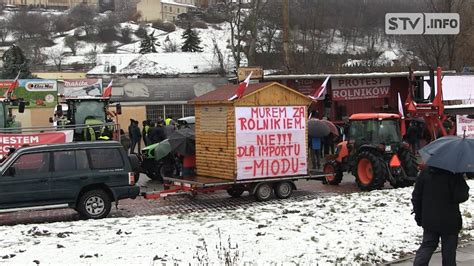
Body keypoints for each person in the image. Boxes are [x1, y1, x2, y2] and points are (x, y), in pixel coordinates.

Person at [412, 167, 470, 266]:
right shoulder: (453, 174)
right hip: (450, 220)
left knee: (427, 246)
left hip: (429, 219)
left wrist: (419, 216)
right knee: (449, 253)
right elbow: (462, 196)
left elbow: (416, 196)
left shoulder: (425, 173)